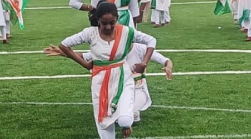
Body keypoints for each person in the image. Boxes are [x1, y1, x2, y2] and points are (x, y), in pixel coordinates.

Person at [56, 2, 156, 139]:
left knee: (125, 120)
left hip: (123, 77)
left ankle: (125, 122)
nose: (108, 27)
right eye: (104, 23)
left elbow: (151, 40)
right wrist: (85, 64)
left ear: (117, 20)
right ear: (98, 20)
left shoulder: (126, 32)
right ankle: (114, 120)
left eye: (112, 23)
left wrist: (144, 63)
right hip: (100, 80)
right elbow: (64, 45)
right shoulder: (90, 33)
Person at [45, 43, 173, 124]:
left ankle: (133, 111)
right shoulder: (110, 51)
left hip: (138, 90)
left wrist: (168, 67)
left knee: (125, 118)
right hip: (116, 91)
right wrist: (63, 53)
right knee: (113, 117)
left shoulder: (141, 49)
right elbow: (85, 56)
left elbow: (166, 60)